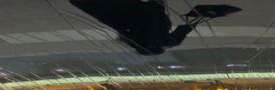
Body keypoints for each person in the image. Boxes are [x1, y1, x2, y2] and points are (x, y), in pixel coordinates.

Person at [70, 1, 241, 55]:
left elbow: (180, 32)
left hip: (146, 10)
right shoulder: (131, 38)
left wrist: (197, 19)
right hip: (124, 10)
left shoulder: (162, 40)